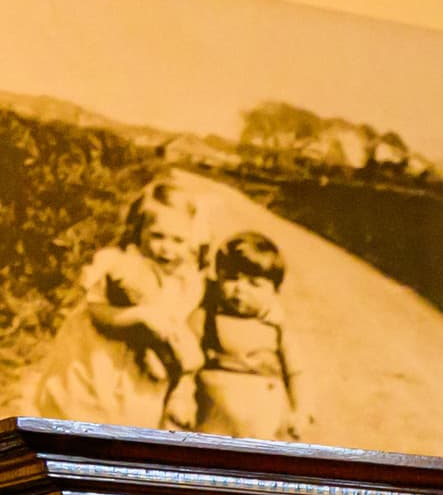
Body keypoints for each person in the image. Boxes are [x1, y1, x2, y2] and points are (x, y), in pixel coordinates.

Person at [22, 176, 206, 425]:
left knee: (133, 418)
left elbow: (181, 320)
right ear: (137, 229)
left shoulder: (184, 278)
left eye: (178, 240)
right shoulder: (119, 264)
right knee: (81, 408)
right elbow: (97, 311)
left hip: (140, 371)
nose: (167, 249)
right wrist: (140, 315)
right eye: (157, 236)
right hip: (100, 353)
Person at [173, 230, 304, 439]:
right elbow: (185, 364)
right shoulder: (205, 318)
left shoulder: (276, 326)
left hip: (263, 422)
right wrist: (181, 397)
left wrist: (301, 410)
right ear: (219, 277)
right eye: (231, 278)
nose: (240, 289)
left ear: (274, 292)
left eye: (255, 284)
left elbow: (296, 372)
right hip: (213, 418)